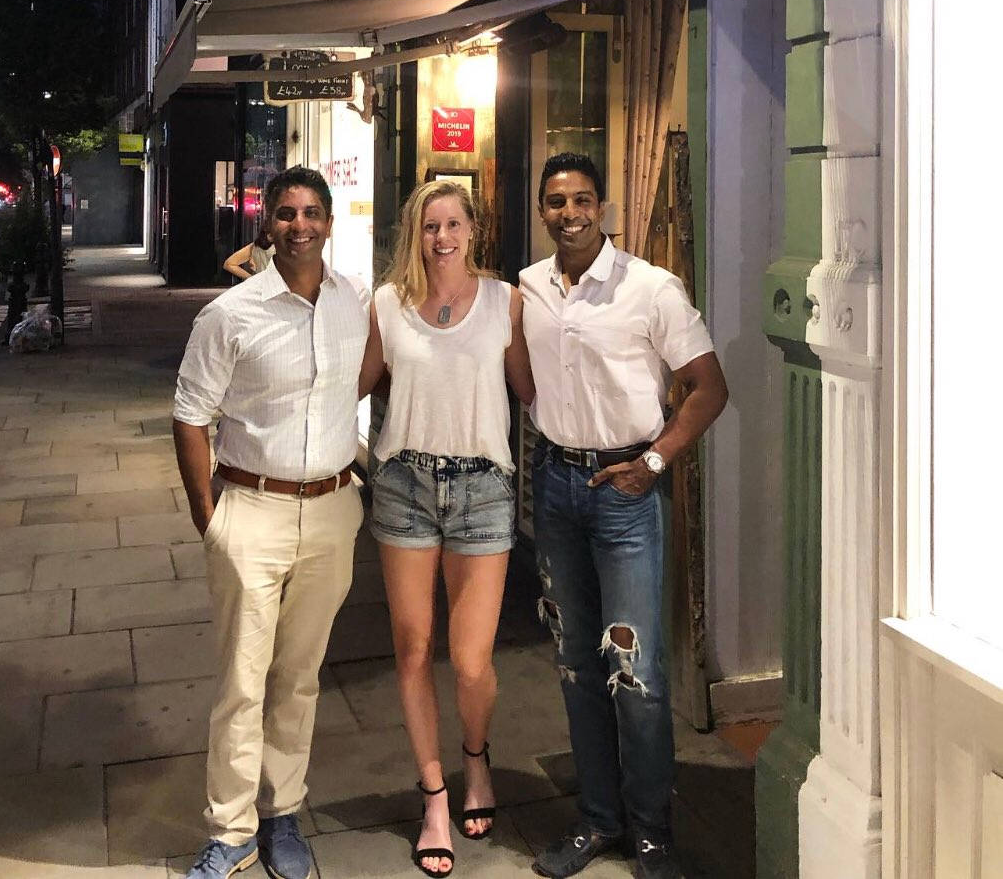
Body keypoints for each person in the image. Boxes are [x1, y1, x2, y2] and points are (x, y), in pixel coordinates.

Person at [520, 153, 728, 879]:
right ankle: (597, 820)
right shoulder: (528, 290)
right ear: (541, 209)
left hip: (626, 491)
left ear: (601, 207)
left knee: (633, 667)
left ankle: (651, 832)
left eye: (581, 200)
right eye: (555, 201)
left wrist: (656, 464)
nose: (568, 213)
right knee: (577, 664)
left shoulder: (650, 289)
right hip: (555, 488)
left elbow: (706, 387)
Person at [173, 166, 369, 879]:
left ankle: (281, 811)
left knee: (300, 675)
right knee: (241, 681)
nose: (299, 225)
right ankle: (231, 830)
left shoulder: (355, 301)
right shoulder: (232, 313)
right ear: (266, 223)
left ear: (329, 222)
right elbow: (190, 416)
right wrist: (210, 518)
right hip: (249, 508)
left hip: (331, 509)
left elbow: (369, 373)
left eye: (311, 212)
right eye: (285, 213)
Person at [359, 179, 534, 876]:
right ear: (414, 232)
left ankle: (474, 758)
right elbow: (357, 381)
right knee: (411, 649)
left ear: (472, 229)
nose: (441, 238)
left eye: (453, 223)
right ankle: (434, 793)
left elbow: (530, 388)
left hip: (482, 490)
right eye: (430, 225)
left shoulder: (504, 302)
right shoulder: (387, 305)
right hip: (403, 485)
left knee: (469, 661)